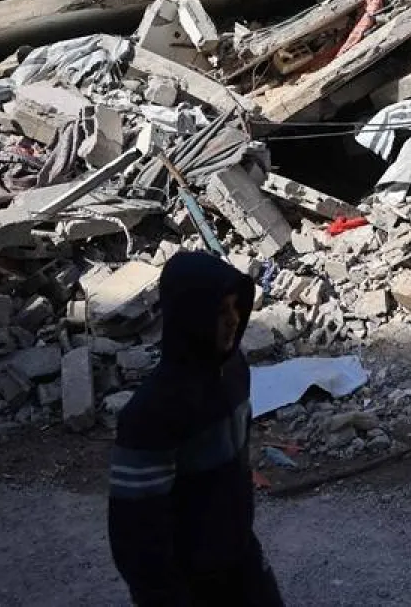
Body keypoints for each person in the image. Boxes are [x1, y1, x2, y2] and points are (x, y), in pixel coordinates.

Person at [108, 252, 285, 607]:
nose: (233, 320)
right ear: (190, 317)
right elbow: (137, 532)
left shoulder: (234, 372)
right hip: (190, 579)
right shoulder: (152, 413)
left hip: (240, 554)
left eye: (235, 307)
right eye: (220, 312)